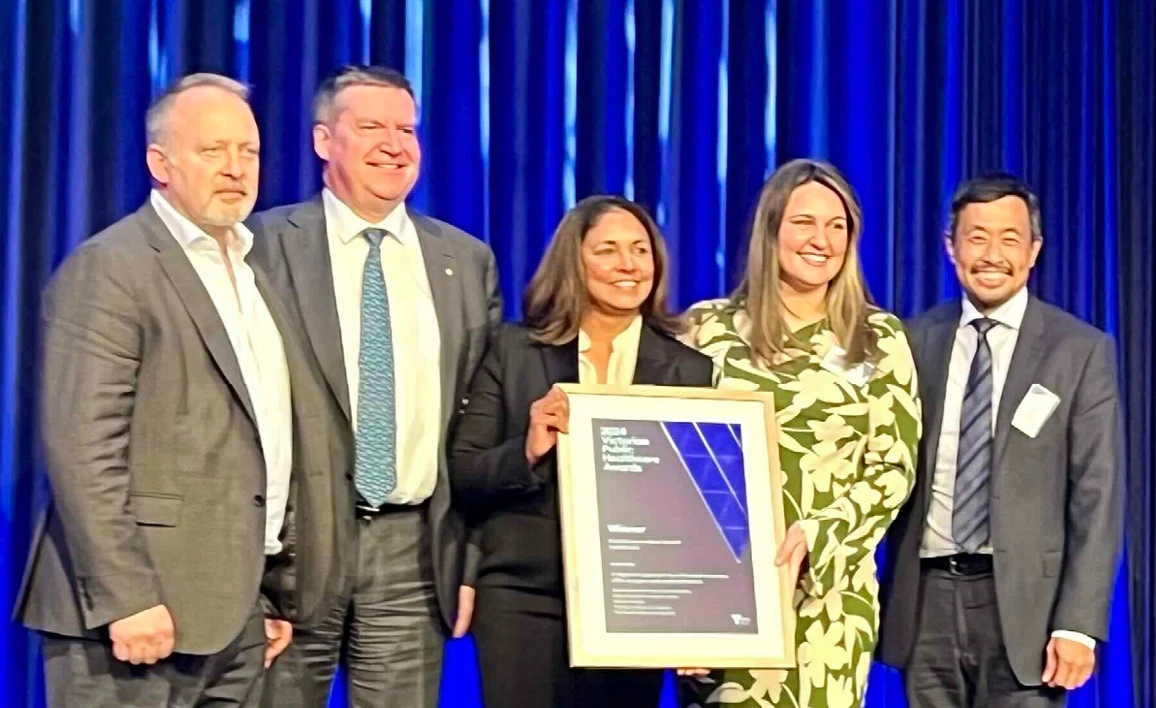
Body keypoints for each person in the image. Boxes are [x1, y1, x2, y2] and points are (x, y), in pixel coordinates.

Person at [12, 73, 323, 706]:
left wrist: (267, 591)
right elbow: (81, 448)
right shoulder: (113, 267)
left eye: (249, 152)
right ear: (160, 162)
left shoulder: (255, 271)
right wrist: (127, 598)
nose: (235, 168)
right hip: (133, 622)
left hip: (233, 620)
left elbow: (262, 436)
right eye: (213, 151)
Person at [247, 64, 502, 708]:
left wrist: (468, 559)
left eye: (406, 129)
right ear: (323, 141)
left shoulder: (465, 262)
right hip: (290, 555)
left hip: (414, 552)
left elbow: (481, 426)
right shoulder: (260, 246)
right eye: (371, 127)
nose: (395, 143)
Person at [449, 195, 713, 708]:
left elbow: (694, 514)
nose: (628, 264)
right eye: (608, 250)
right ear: (575, 261)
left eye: (640, 249)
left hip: (632, 607)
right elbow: (465, 471)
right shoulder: (514, 350)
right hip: (524, 598)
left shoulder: (689, 371)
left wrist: (695, 618)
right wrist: (525, 450)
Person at [677, 159, 921, 708]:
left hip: (828, 604)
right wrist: (682, 607)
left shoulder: (878, 338)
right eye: (805, 223)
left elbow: (893, 469)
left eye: (838, 226)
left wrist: (820, 535)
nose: (822, 240)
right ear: (772, 230)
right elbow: (676, 465)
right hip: (725, 594)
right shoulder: (706, 329)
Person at [877, 174, 1124, 707]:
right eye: (976, 237)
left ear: (1034, 250)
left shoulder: (1078, 351)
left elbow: (1097, 497)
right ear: (951, 247)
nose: (992, 255)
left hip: (1027, 612)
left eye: (1009, 239)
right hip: (925, 603)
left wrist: (1079, 624)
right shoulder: (911, 341)